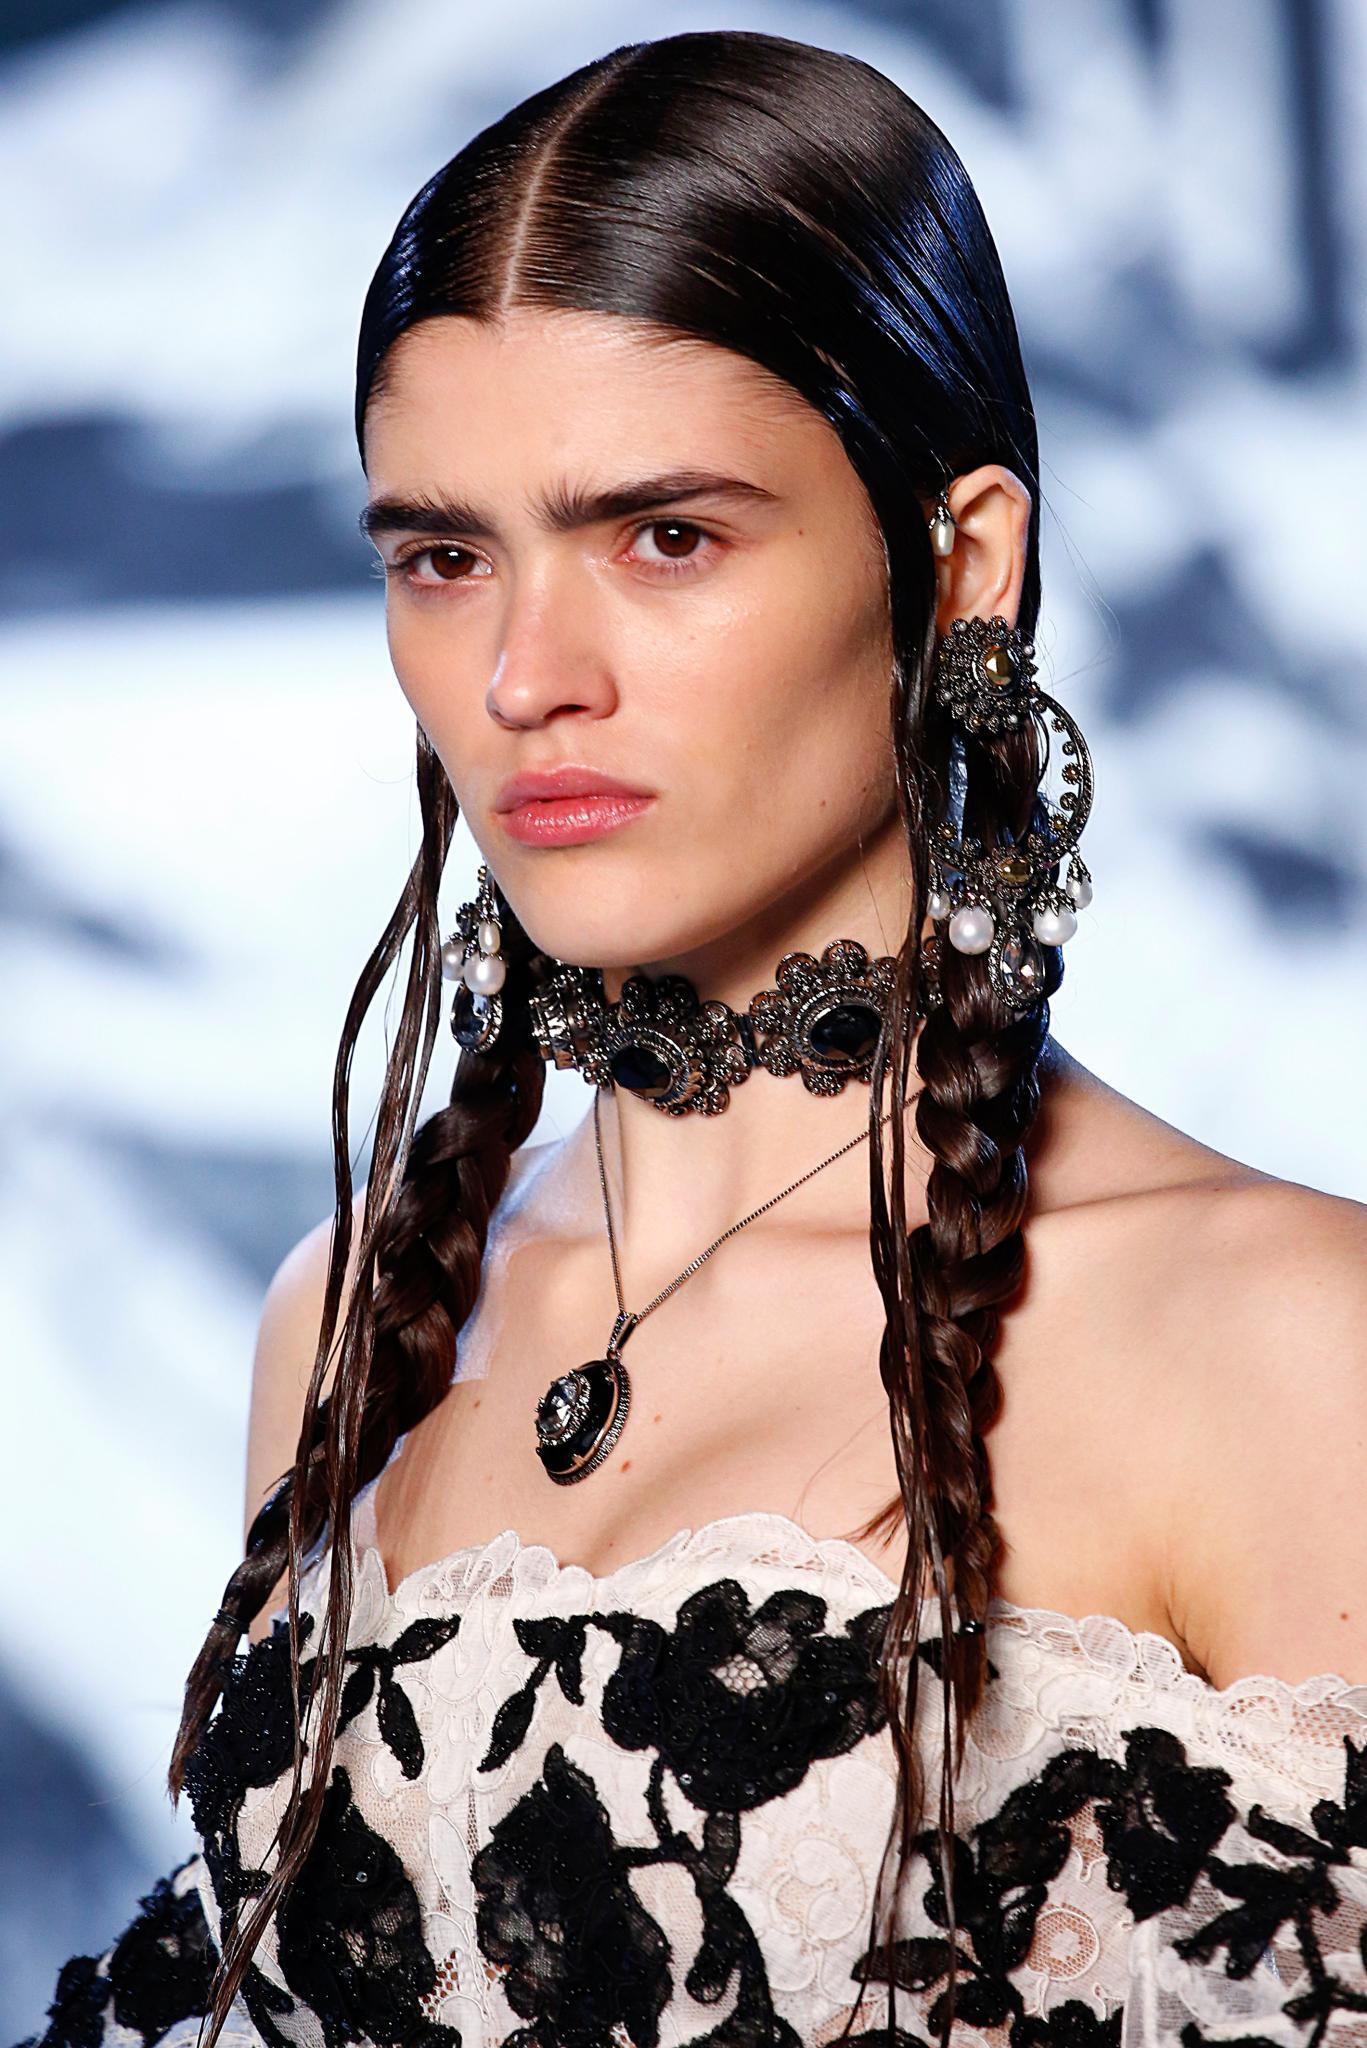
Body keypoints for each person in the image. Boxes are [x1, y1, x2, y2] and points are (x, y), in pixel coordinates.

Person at [18, 26, 1367, 2048]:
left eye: (665, 537)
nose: (523, 676)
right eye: (444, 557)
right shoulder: (352, 1317)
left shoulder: (1286, 1342)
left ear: (960, 562)